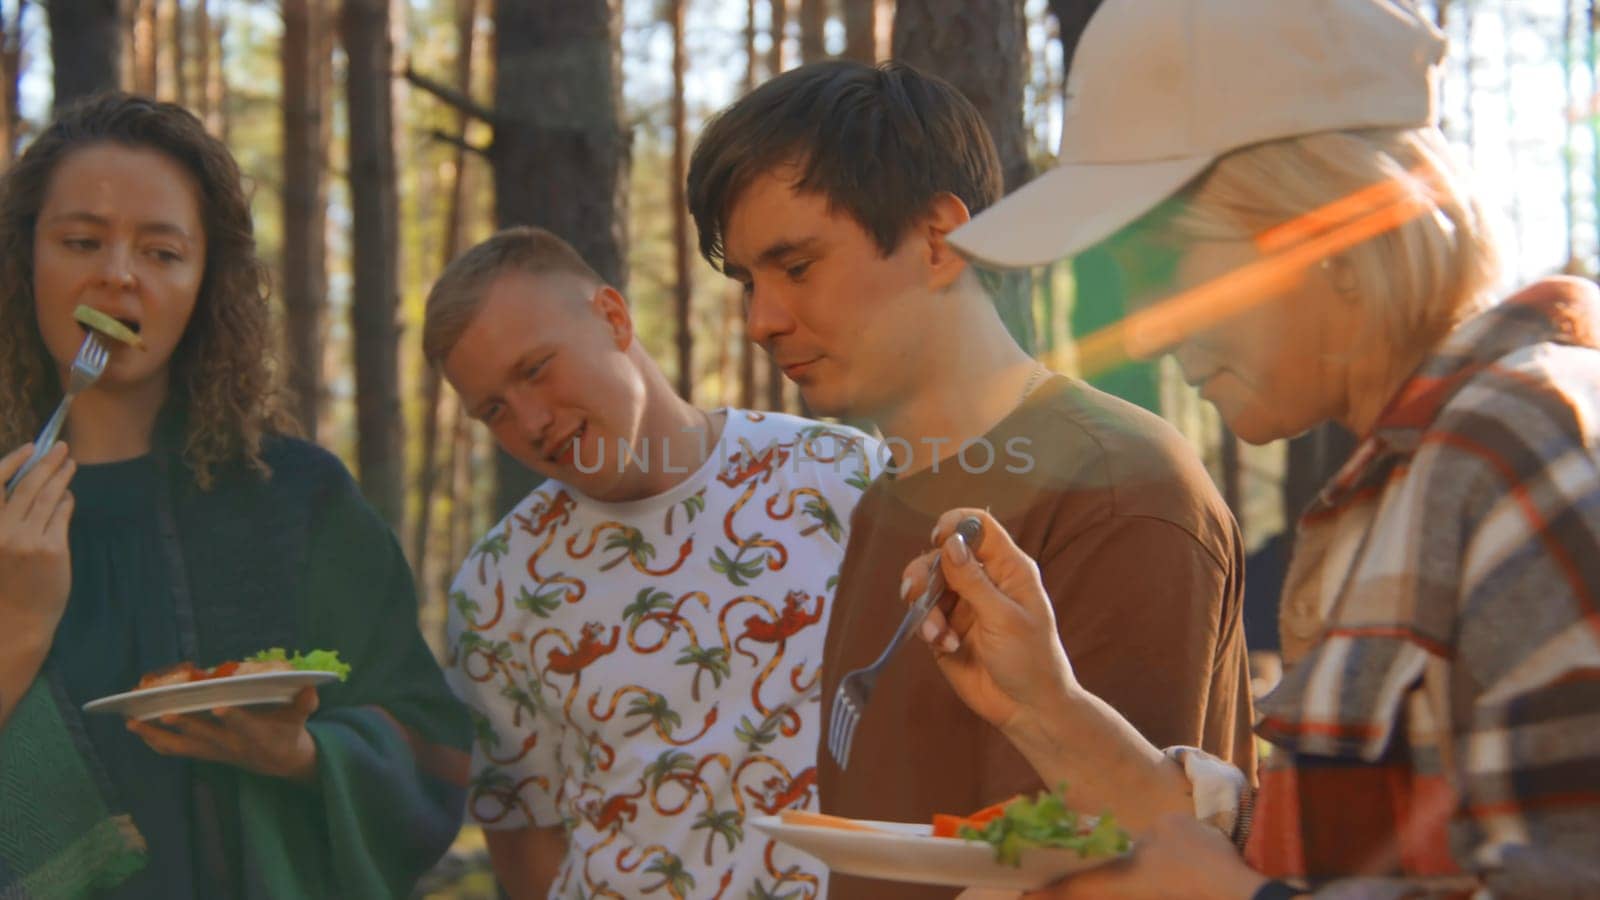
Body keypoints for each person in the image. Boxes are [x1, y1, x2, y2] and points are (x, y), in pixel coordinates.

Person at [902, 0, 1600, 896]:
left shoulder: (1525, 449)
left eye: (1160, 263)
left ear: (1329, 229)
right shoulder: (1414, 479)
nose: (1148, 334)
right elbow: (1339, 851)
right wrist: (1044, 706)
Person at [687, 57, 1256, 900]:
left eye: (796, 267)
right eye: (746, 283)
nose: (761, 321)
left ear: (938, 239)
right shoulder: (888, 499)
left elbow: (1117, 866)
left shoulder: (1119, 487)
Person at [0, 93, 470, 898]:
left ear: (205, 285)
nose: (118, 274)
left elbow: (433, 750)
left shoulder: (296, 498)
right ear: (23, 260)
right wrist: (17, 625)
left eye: (162, 252)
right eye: (81, 240)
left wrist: (302, 757)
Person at [423, 226, 878, 899]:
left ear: (612, 317)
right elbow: (526, 848)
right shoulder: (495, 591)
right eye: (494, 409)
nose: (532, 422)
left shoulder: (842, 480)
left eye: (535, 369)